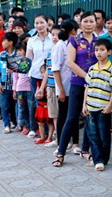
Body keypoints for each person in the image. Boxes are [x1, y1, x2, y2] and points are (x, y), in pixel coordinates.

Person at [52, 12, 97, 167]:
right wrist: (86, 77)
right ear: (80, 24)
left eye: (92, 21)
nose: (89, 24)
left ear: (96, 23)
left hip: (96, 86)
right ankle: (61, 152)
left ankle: (87, 150)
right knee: (71, 118)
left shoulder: (99, 41)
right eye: (86, 21)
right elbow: (70, 63)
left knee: (91, 118)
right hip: (78, 83)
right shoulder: (74, 40)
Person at [83, 38, 112, 170]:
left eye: (102, 50)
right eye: (96, 50)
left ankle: (103, 158)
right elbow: (87, 87)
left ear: (109, 52)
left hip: (103, 108)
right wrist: (84, 105)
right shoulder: (92, 69)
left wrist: (110, 105)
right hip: (91, 106)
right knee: (93, 134)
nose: (99, 53)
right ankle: (97, 159)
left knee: (104, 134)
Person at [51, 20, 80, 154]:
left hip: (74, 84)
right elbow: (55, 69)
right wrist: (61, 89)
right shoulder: (60, 46)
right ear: (73, 31)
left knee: (73, 114)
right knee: (63, 114)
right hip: (64, 86)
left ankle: (75, 142)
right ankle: (61, 142)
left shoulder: (74, 44)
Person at [26, 14, 54, 138]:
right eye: (36, 23)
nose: (39, 26)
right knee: (37, 102)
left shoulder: (53, 39)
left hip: (51, 75)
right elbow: (28, 59)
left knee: (50, 102)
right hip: (35, 75)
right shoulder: (32, 40)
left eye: (41, 23)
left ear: (47, 23)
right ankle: (37, 129)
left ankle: (50, 131)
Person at [0, 32, 19, 134]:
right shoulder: (2, 55)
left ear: (10, 42)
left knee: (15, 105)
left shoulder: (18, 54)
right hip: (4, 84)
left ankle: (15, 122)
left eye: (4, 41)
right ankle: (6, 124)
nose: (2, 43)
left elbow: (22, 68)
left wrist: (14, 69)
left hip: (15, 85)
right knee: (4, 105)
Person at [12, 43, 33, 134]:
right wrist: (14, 90)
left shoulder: (30, 61)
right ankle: (24, 126)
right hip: (20, 88)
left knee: (31, 107)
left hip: (29, 88)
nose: (18, 52)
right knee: (21, 108)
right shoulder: (16, 63)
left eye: (20, 50)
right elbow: (15, 77)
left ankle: (32, 126)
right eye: (17, 51)